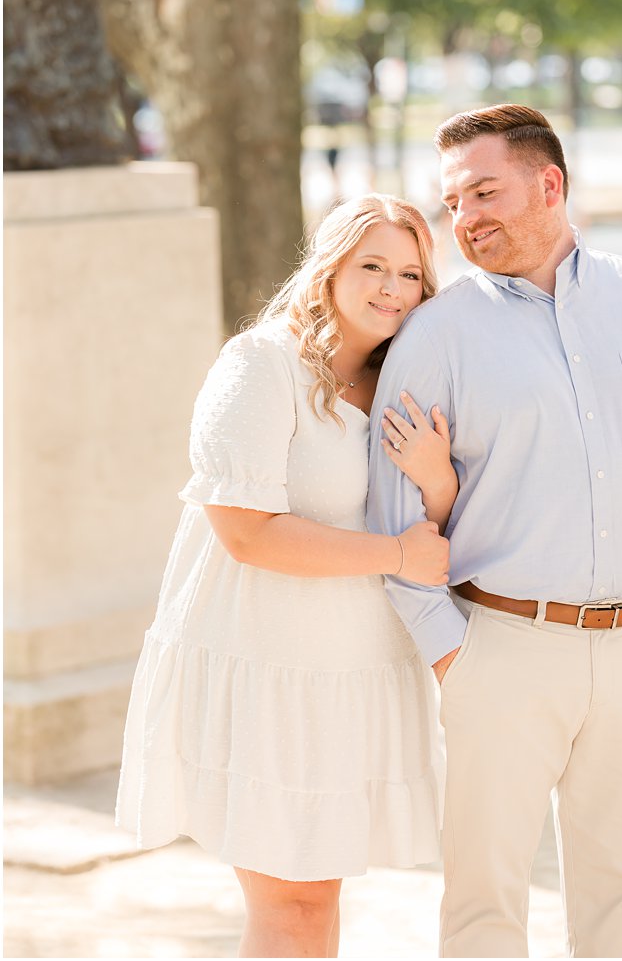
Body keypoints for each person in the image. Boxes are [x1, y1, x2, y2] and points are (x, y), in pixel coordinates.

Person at [367, 103, 622, 958]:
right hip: (498, 646)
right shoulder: (435, 335)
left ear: (550, 184)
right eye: (454, 201)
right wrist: (453, 655)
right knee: (484, 906)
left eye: (484, 192)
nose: (466, 219)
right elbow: (393, 518)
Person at [117, 195, 455, 958]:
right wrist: (394, 556)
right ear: (328, 268)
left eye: (409, 273)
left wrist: (437, 480)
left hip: (353, 675)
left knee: (317, 902)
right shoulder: (262, 366)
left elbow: (441, 528)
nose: (391, 288)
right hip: (266, 672)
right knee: (294, 907)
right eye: (372, 266)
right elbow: (244, 531)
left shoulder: (406, 380)